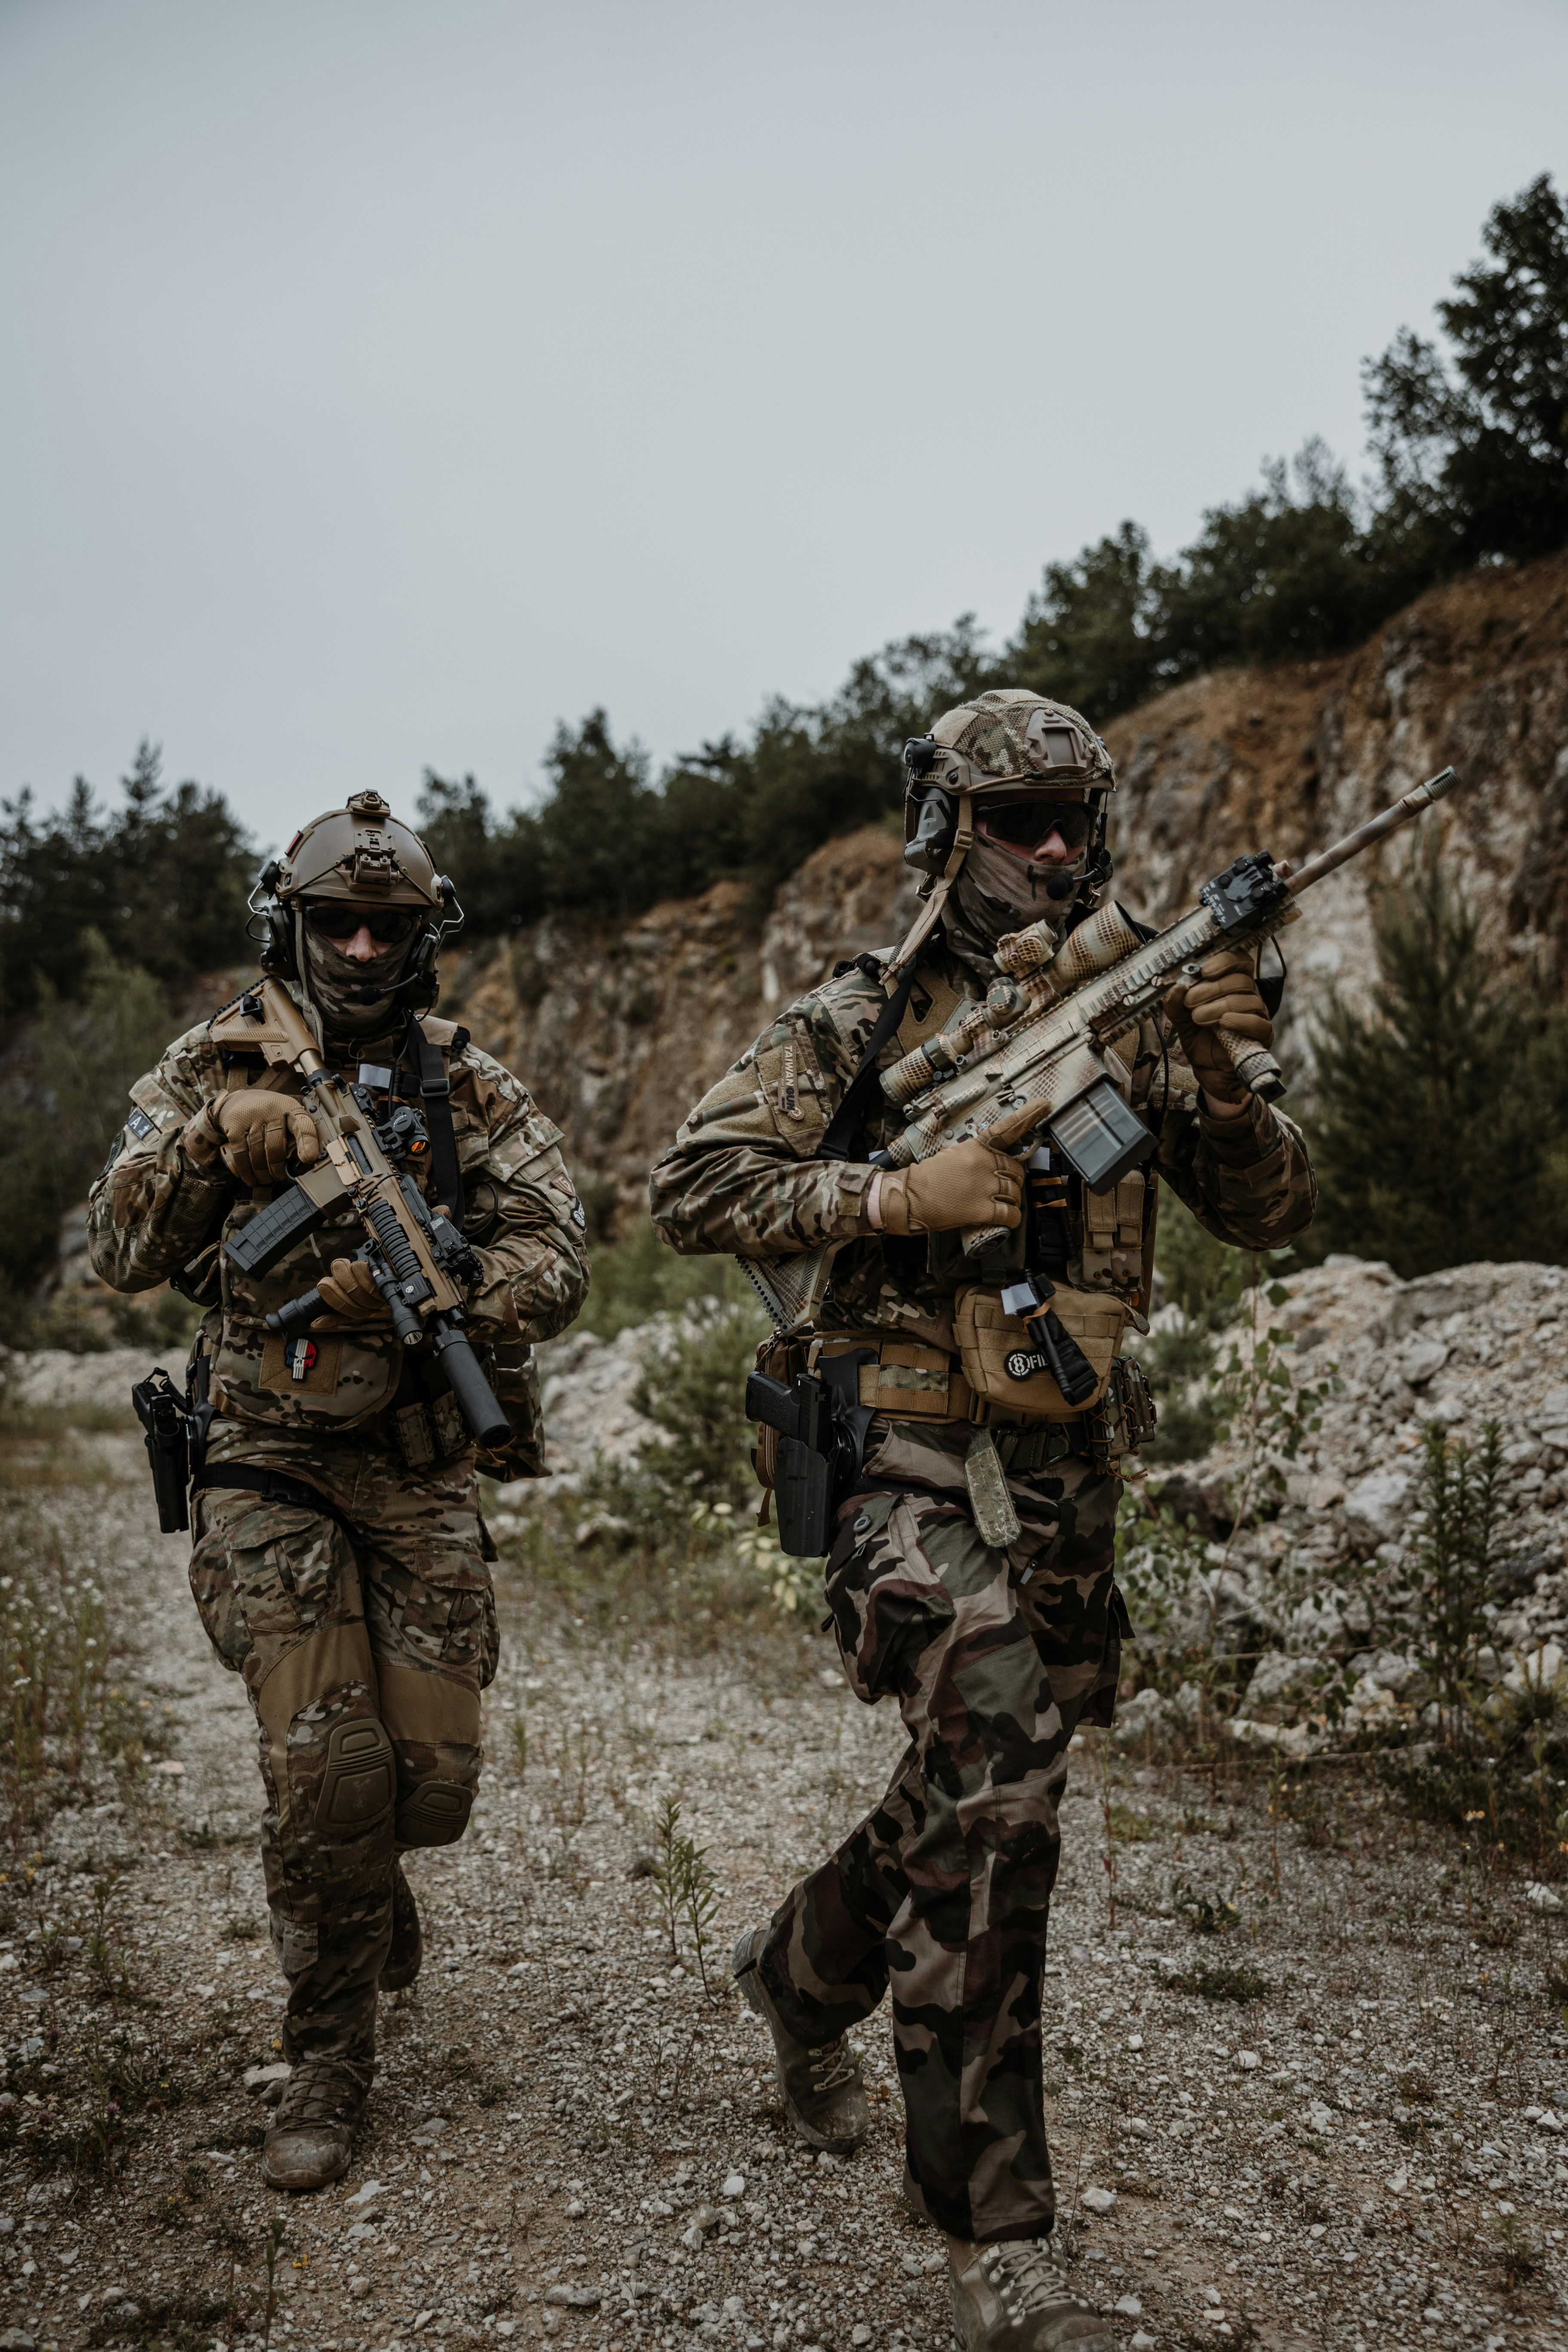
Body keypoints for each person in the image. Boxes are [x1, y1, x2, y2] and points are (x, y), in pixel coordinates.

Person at [649, 691, 1316, 2352]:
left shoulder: (1140, 1000)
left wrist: (1226, 1076)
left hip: (1063, 1454)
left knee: (989, 1770)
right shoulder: (860, 1020)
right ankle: (993, 2234)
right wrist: (892, 1191)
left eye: (1076, 817)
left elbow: (1271, 1212)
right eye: (1019, 820)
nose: (1055, 847)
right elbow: (691, 1187)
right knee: (1003, 1783)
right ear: (950, 830)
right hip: (897, 1445)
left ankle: (798, 1973)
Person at [88, 790, 589, 2191]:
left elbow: (562, 1257)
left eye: (389, 926)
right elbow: (116, 1250)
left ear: (425, 935)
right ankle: (327, 2054)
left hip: (418, 1459)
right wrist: (211, 1137)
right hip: (266, 1452)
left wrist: (448, 1283)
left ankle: (371, 1882)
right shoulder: (212, 1060)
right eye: (337, 923)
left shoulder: (467, 1083)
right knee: (327, 1773)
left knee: (430, 1788)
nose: (364, 948)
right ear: (291, 922)